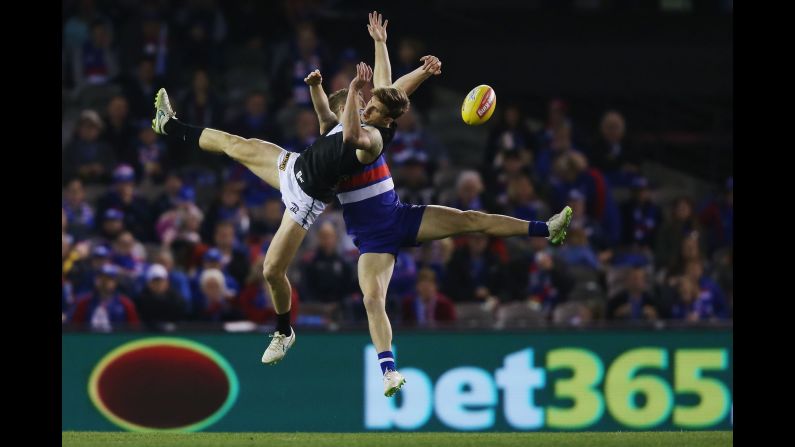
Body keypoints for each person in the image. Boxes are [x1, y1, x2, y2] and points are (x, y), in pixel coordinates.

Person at [152, 12, 571, 398]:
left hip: (315, 204)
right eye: (365, 100)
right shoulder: (365, 115)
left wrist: (352, 92)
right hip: (294, 168)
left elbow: (353, 131)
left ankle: (296, 336)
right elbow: (388, 89)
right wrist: (390, 50)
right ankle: (169, 124)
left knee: (275, 271)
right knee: (234, 144)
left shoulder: (369, 137)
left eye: (371, 104)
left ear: (381, 117)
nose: (368, 100)